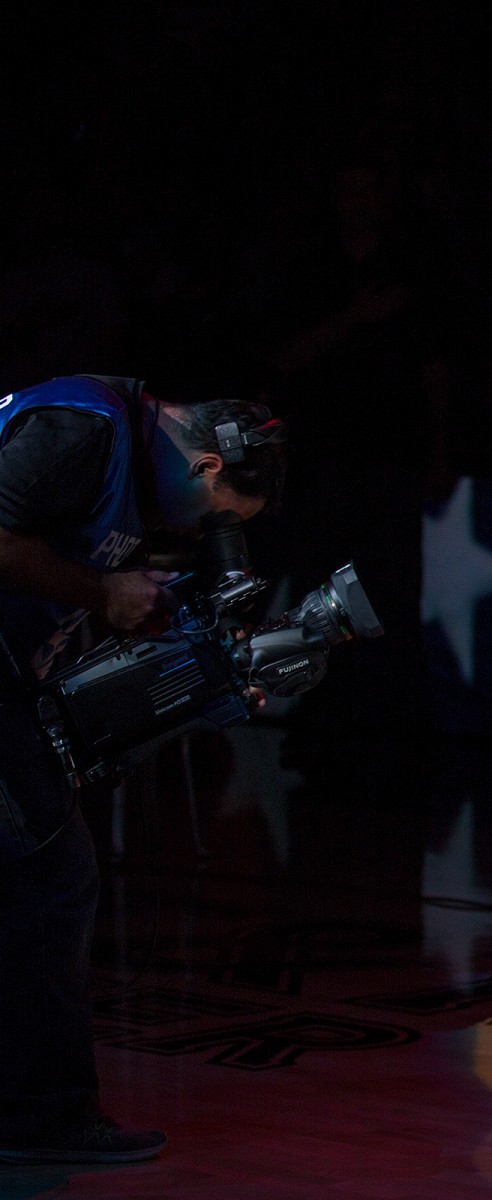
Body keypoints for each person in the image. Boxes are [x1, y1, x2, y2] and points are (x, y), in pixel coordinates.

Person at [0, 375, 287, 1165]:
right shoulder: (82, 429)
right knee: (49, 873)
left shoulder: (124, 452)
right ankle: (38, 1121)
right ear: (205, 466)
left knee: (35, 872)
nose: (200, 534)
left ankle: (31, 1113)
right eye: (216, 517)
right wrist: (102, 591)